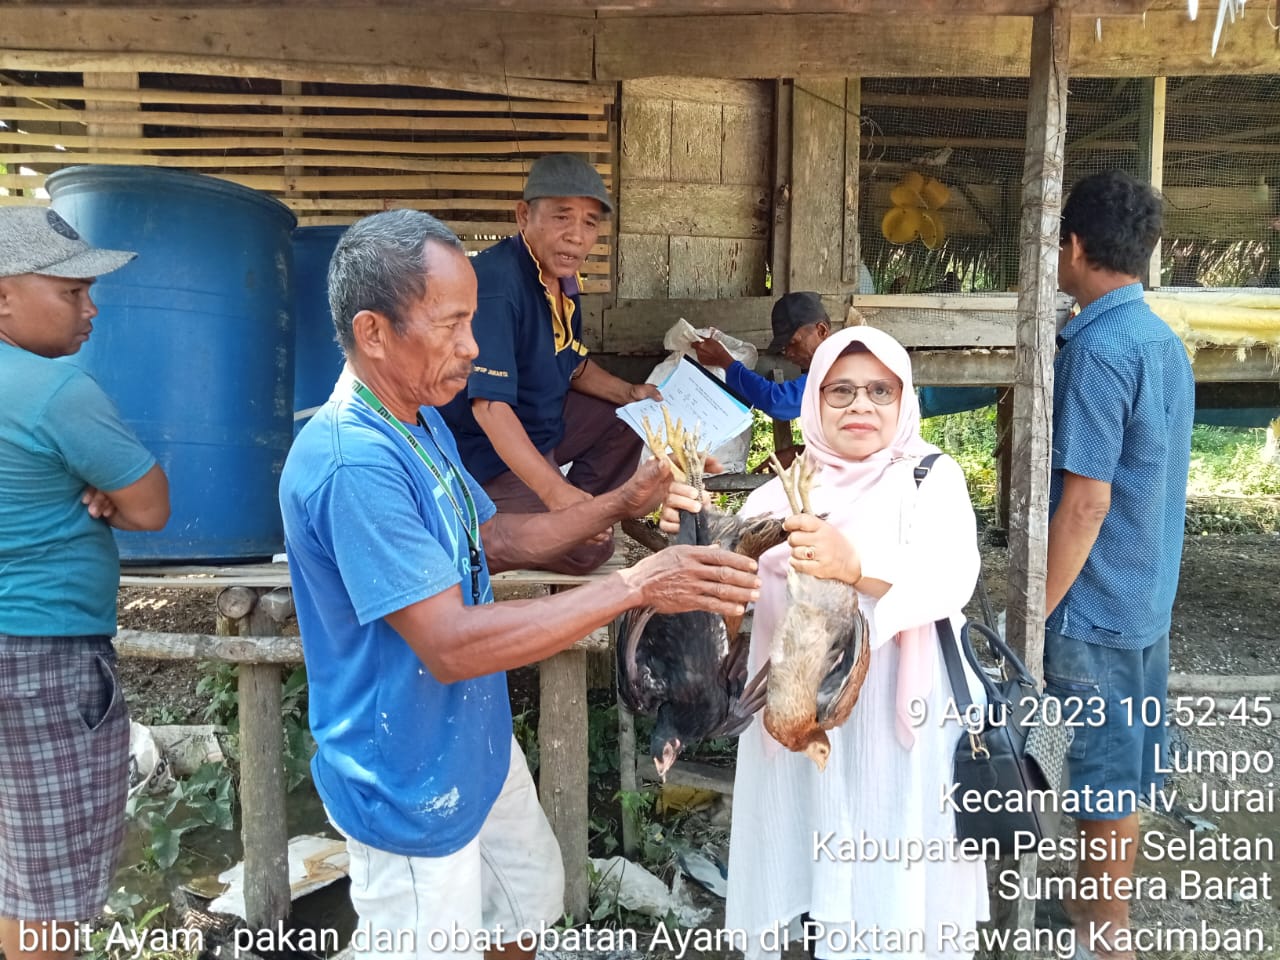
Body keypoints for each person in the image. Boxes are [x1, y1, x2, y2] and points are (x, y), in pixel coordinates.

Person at [279, 209, 760, 960]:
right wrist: (637, 585)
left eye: (472, 321)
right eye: (451, 325)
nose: (473, 348)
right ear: (373, 332)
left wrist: (617, 503)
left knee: (527, 909)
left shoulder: (418, 419)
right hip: (407, 779)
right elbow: (448, 645)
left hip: (473, 746)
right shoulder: (354, 463)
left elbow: (491, 538)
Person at [665, 325, 989, 960]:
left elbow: (952, 573)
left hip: (898, 724)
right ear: (814, 400)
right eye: (840, 391)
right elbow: (723, 595)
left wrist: (854, 562)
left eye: (878, 391)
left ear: (903, 402)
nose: (860, 406)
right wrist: (694, 522)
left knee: (891, 866)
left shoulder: (930, 477)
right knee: (814, 854)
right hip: (801, 717)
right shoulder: (783, 491)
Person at [0, 207, 170, 959]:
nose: (91, 306)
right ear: (3, 294)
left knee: (12, 869)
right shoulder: (53, 391)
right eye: (70, 291)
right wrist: (104, 489)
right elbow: (150, 505)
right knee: (49, 900)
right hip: (43, 659)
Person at [1044, 170, 1194, 960]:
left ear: (1072, 245)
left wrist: (1035, 605)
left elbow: (1085, 504)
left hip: (1094, 605)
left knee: (1095, 769)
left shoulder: (1097, 350)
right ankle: (1096, 905)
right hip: (1146, 595)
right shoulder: (1162, 341)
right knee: (1126, 764)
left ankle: (1106, 937)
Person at [440, 154, 661, 575]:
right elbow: (489, 407)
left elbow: (571, 360)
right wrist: (556, 493)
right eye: (562, 217)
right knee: (587, 553)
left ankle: (580, 515)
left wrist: (629, 393)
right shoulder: (497, 285)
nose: (576, 237)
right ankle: (471, 529)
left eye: (590, 222)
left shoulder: (559, 280)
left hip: (541, 428)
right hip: (487, 453)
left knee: (633, 418)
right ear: (524, 215)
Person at [692, 291, 831, 424]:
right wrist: (803, 449)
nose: (789, 353)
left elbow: (778, 402)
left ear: (821, 331)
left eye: (794, 342)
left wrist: (725, 361)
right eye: (785, 347)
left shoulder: (837, 368)